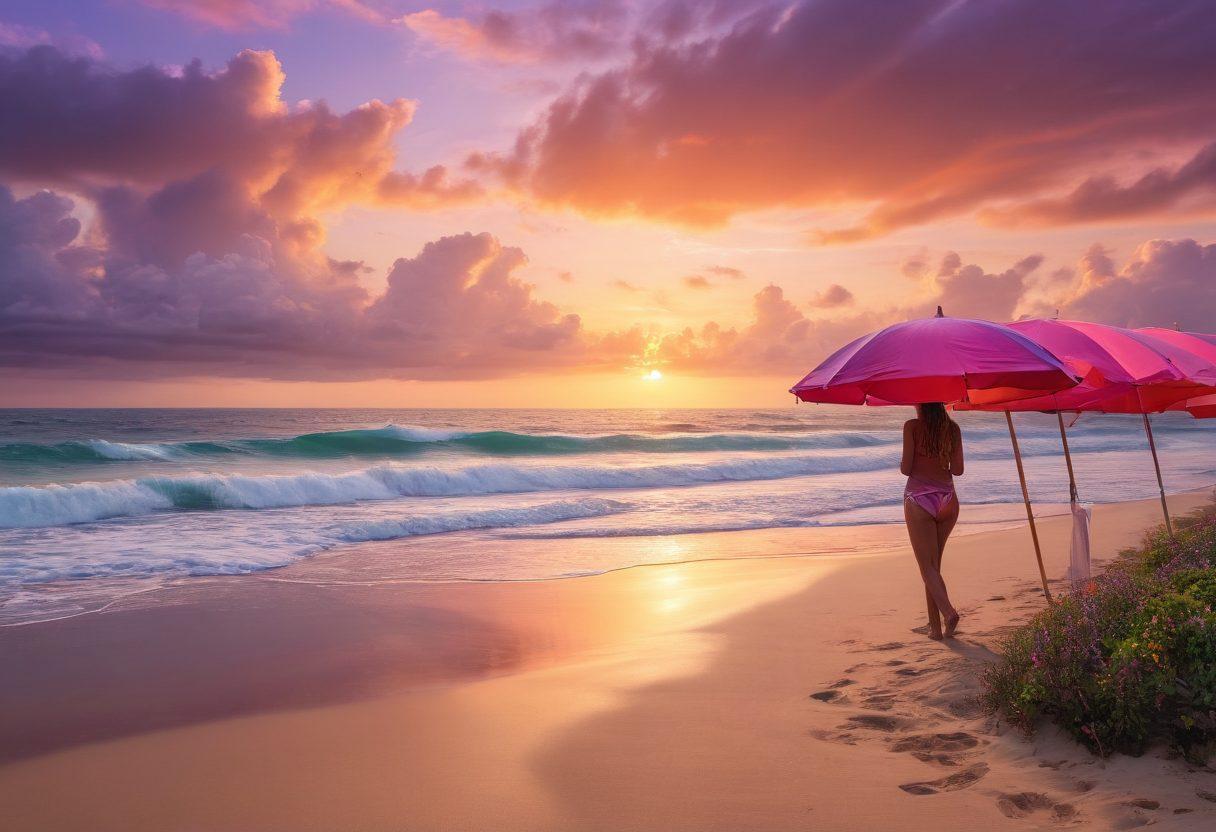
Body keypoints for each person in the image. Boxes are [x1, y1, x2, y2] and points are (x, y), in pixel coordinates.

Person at [901, 402, 964, 639]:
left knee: (927, 567)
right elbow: (957, 470)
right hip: (948, 498)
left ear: (920, 404)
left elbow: (906, 469)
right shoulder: (953, 429)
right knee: (933, 567)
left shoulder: (912, 427)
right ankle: (935, 629)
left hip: (919, 499)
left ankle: (948, 613)